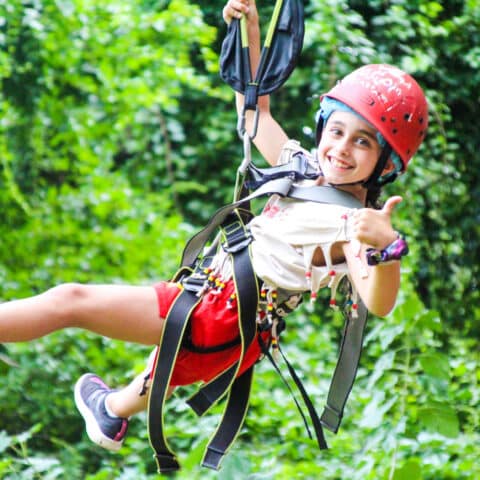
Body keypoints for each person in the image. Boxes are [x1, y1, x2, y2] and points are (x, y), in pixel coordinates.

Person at [0, 0, 428, 459]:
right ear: (323, 127)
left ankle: (114, 407)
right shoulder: (302, 170)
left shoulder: (351, 228)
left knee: (70, 301)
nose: (341, 149)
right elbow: (254, 112)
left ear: (386, 164)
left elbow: (378, 302)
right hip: (220, 310)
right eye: (337, 131)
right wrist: (250, 28)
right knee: (143, 375)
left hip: (218, 316)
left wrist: (387, 248)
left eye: (362, 142)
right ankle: (112, 411)